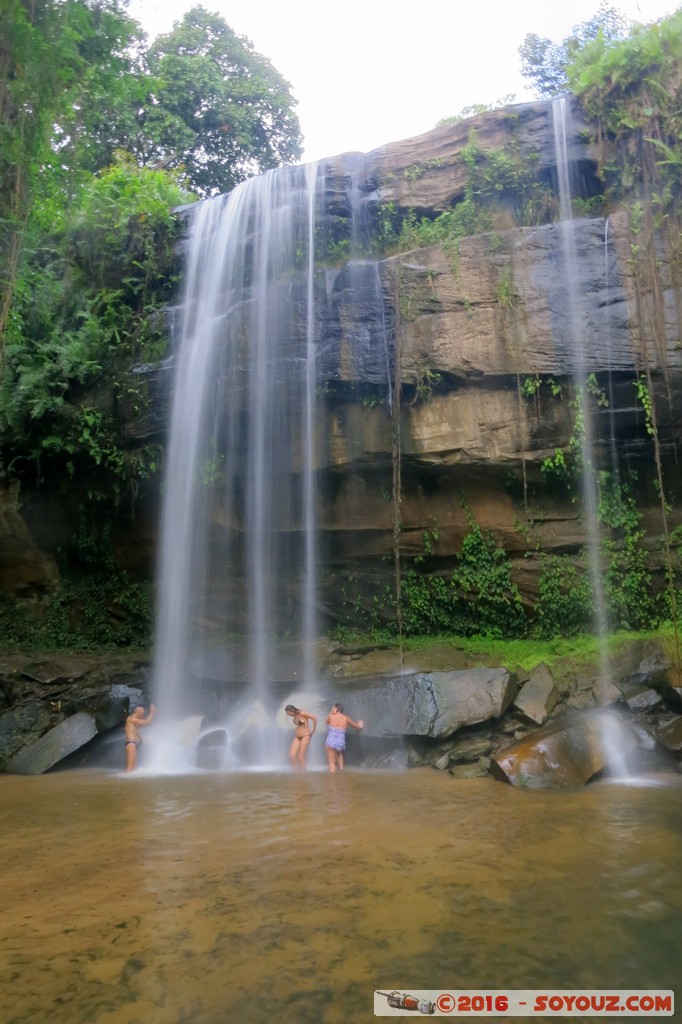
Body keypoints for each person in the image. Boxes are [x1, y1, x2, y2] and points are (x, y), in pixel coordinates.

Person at [325, 702, 363, 773]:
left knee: (331, 762)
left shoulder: (331, 716)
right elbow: (355, 726)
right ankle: (341, 770)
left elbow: (326, 722)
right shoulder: (346, 718)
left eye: (333, 708)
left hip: (331, 740)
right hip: (340, 741)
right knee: (339, 755)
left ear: (335, 709)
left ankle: (332, 781)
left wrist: (331, 712)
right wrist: (360, 725)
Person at [124, 703, 156, 772]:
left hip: (132, 743)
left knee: (134, 765)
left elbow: (134, 730)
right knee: (130, 765)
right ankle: (125, 781)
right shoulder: (132, 719)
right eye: (141, 714)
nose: (142, 716)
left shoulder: (131, 721)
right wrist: (152, 712)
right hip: (131, 743)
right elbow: (147, 722)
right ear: (137, 713)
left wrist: (141, 738)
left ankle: (130, 780)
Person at [284, 704, 317, 769]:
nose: (288, 715)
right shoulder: (295, 715)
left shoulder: (302, 713)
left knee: (300, 756)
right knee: (292, 755)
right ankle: (296, 772)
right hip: (297, 736)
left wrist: (313, 730)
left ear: (292, 710)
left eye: (288, 713)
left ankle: (303, 773)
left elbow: (314, 718)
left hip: (305, 736)